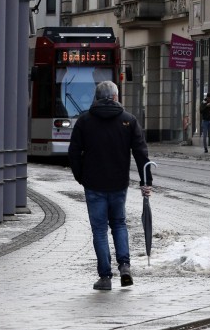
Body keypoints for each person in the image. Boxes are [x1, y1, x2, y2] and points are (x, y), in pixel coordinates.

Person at [67, 80, 152, 291]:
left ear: (96, 97)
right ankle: (124, 266)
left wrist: (81, 177)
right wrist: (145, 181)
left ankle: (105, 277)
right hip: (118, 184)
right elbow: (141, 153)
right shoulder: (129, 120)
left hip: (94, 184)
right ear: (115, 97)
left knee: (99, 230)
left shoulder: (84, 121)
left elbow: (73, 153)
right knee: (119, 224)